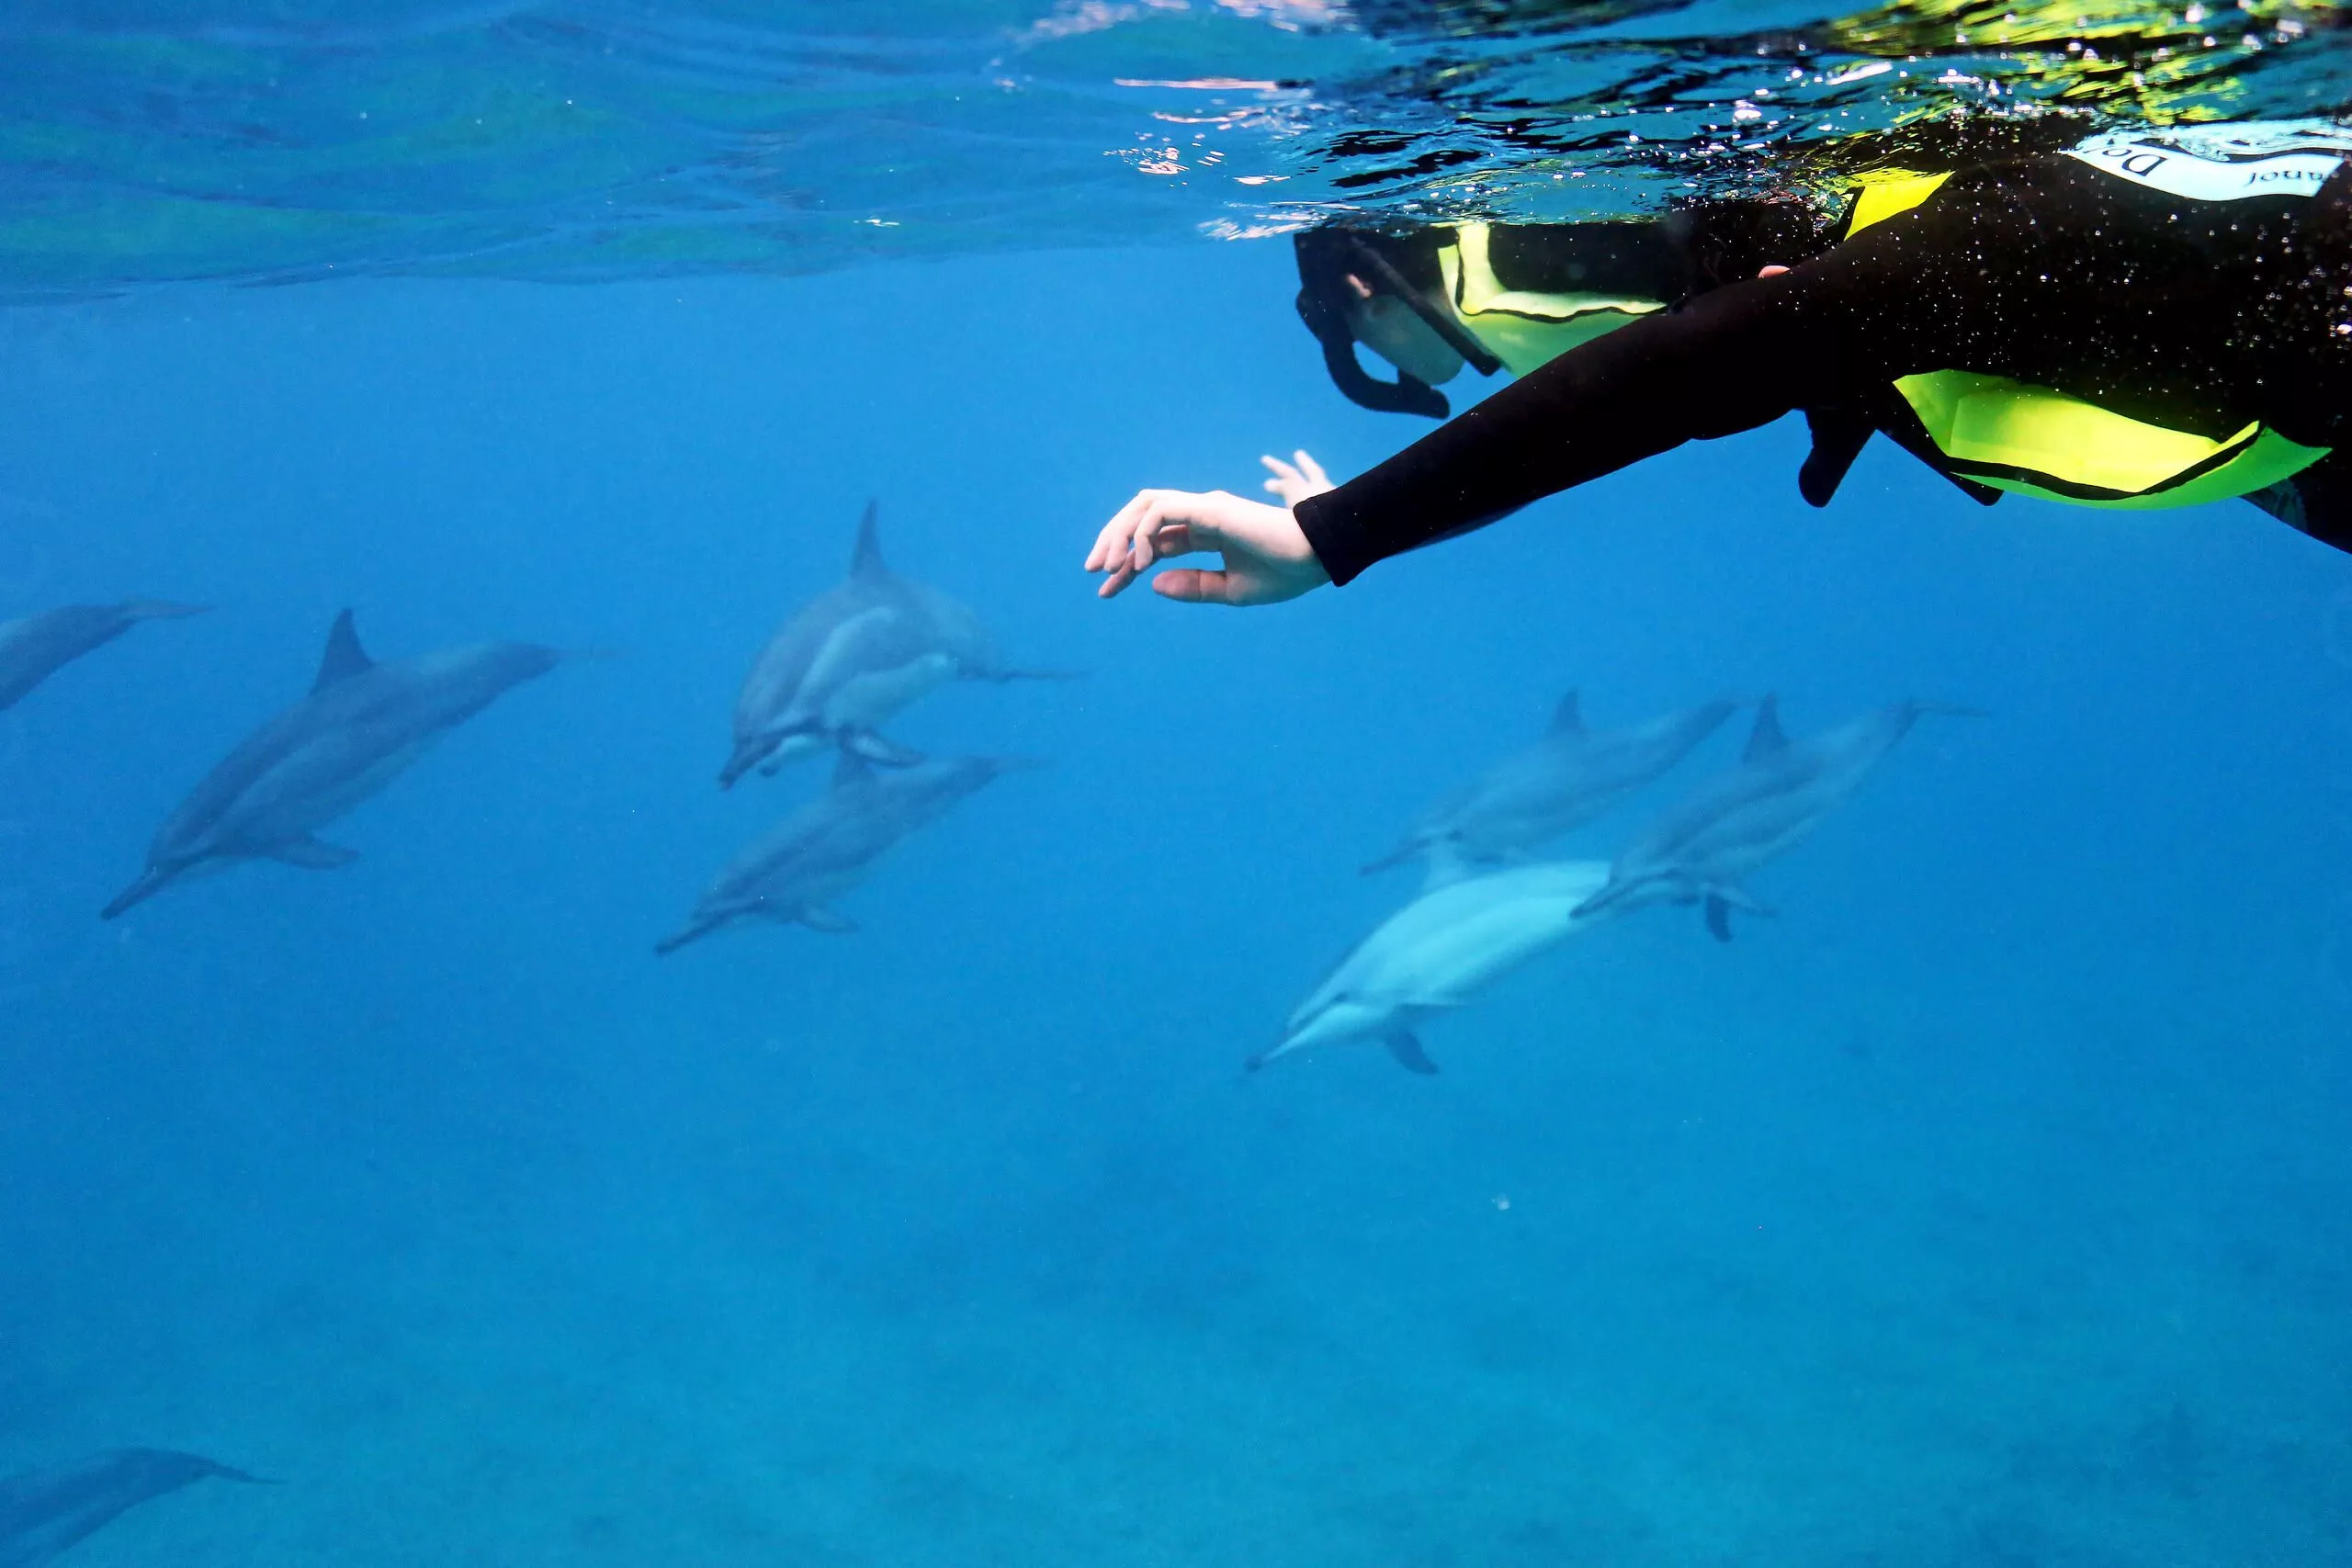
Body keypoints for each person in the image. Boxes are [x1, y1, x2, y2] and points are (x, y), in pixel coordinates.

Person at [1084, 120, 2352, 607]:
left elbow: (1705, 357)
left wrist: (1329, 531)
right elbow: (1699, 362)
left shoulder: (2237, 284)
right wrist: (1329, 529)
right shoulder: (2034, 246)